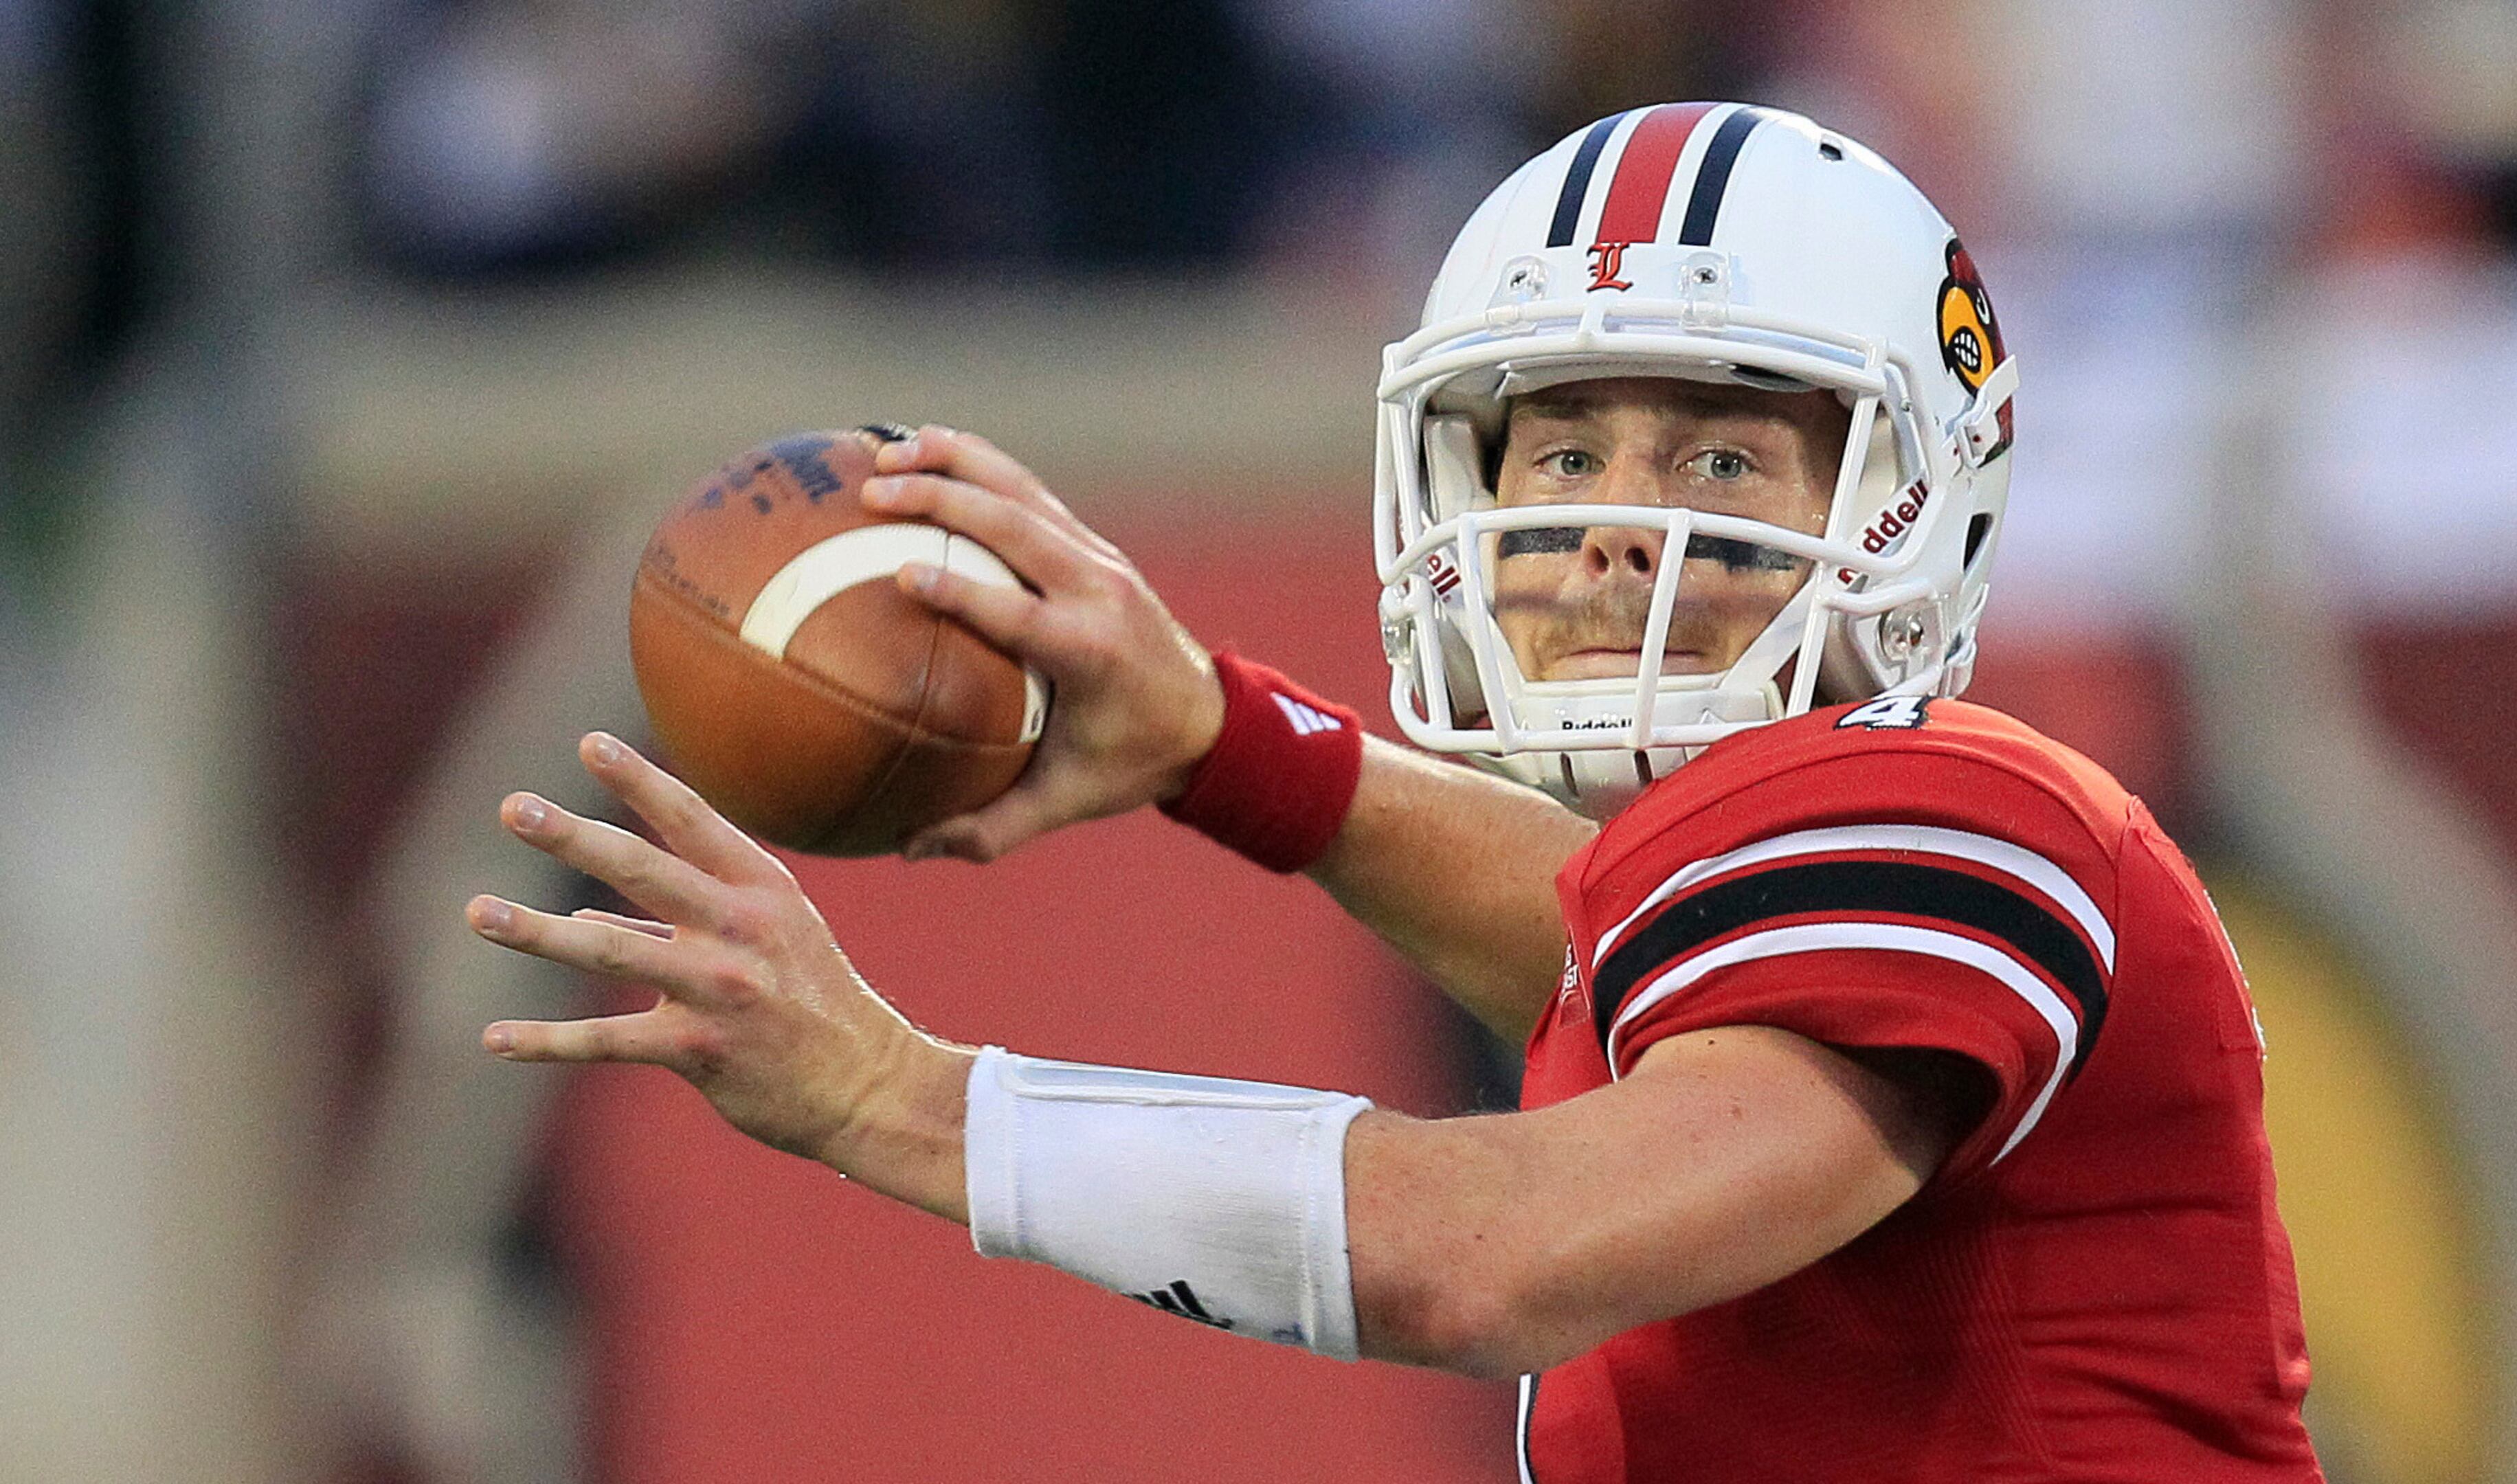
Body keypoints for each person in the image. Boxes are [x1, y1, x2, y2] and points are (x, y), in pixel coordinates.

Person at [470, 104, 2324, 1481]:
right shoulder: (1757, 895)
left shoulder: (1963, 817)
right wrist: (1223, 745)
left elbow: (1495, 1257)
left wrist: (902, 1098)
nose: (1613, 520)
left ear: (1918, 494)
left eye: (1725, 448)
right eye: (1566, 439)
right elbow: (1609, 952)